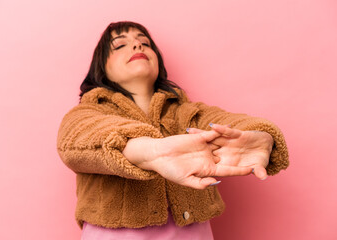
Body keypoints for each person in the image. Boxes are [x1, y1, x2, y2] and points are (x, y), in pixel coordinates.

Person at [57, 21, 289, 240]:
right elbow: (79, 138)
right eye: (120, 45)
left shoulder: (186, 110)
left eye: (145, 43)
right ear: (101, 67)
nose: (138, 45)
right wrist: (151, 151)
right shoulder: (90, 111)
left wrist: (261, 135)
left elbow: (222, 120)